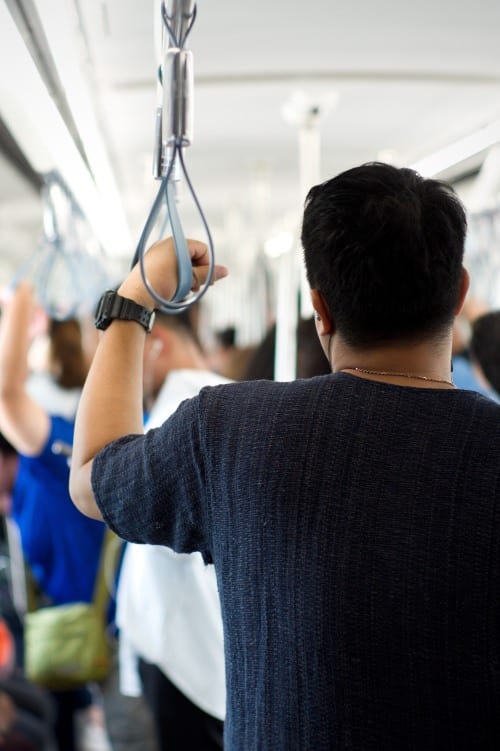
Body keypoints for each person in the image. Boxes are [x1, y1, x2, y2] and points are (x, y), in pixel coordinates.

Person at [70, 163, 500, 750]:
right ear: (458, 294)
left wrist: (133, 301)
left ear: (319, 308)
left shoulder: (231, 432)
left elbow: (93, 474)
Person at [0, 283, 106, 751]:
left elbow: (6, 394)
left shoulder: (51, 457)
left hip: (101, 642)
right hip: (62, 641)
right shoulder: (22, 491)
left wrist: (25, 289)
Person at [116, 309, 227, 750]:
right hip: (198, 641)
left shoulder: (184, 405)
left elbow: (116, 496)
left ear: (156, 342)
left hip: (182, 646)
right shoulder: (212, 402)